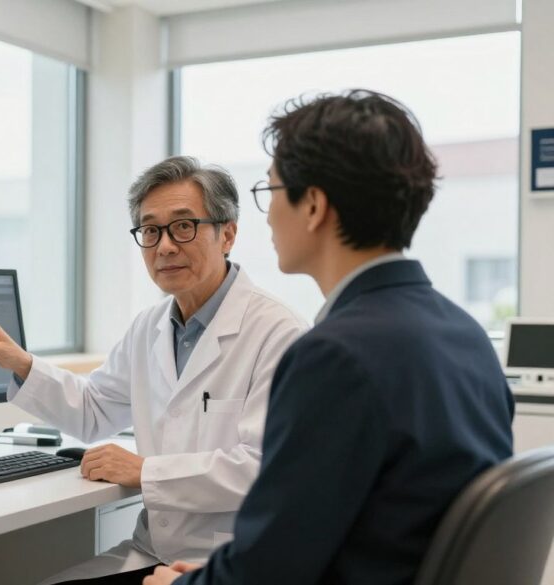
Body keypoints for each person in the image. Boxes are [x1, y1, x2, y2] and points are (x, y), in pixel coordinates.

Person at [144, 90, 515, 585]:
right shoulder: (463, 333)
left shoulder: (335, 356)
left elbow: (270, 572)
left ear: (313, 205)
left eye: (271, 193)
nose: (270, 216)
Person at [0, 155, 306, 584]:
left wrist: (145, 471)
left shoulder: (277, 332)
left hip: (225, 560)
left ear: (227, 233)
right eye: (150, 230)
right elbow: (94, 409)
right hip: (151, 551)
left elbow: (266, 468)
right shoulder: (150, 326)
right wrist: (22, 363)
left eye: (183, 226)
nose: (165, 246)